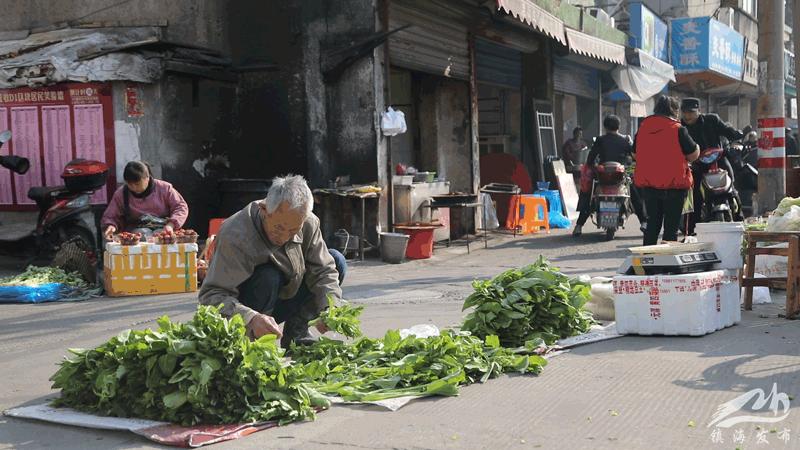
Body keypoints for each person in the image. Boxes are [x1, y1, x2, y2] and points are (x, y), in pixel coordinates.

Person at [198, 174, 346, 348]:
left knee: (336, 261)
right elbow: (211, 295)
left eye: (293, 231)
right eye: (278, 228)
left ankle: (297, 333)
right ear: (264, 210)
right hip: (249, 305)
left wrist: (330, 307)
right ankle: (255, 341)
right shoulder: (236, 234)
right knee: (268, 276)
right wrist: (250, 317)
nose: (283, 237)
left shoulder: (308, 222)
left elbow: (323, 271)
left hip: (286, 295)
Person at [634, 96, 700, 246]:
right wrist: (697, 148)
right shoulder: (678, 129)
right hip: (674, 187)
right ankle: (667, 259)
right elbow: (692, 155)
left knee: (652, 226)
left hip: (649, 186)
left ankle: (648, 257)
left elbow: (634, 153)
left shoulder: (643, 127)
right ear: (674, 111)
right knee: (671, 228)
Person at [573, 115, 646, 237]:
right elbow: (634, 156)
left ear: (605, 127)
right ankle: (643, 222)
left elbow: (590, 159)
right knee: (634, 194)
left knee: (589, 196)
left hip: (602, 177)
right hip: (620, 177)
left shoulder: (600, 140)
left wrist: (593, 166)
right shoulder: (625, 140)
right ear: (618, 127)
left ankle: (578, 226)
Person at [680, 98, 744, 234]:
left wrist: (736, 137)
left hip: (718, 159)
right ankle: (691, 231)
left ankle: (740, 219)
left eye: (691, 112)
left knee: (732, 186)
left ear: (699, 111)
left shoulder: (712, 120)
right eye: (684, 112)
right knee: (694, 196)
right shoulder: (680, 127)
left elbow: (728, 131)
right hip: (697, 165)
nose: (687, 115)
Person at [101, 161, 189, 240]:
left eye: (137, 184)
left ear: (147, 178)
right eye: (130, 184)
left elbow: (180, 207)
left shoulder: (165, 188)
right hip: (135, 235)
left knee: (159, 234)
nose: (133, 187)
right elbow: (111, 215)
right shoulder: (121, 194)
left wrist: (171, 225)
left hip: (164, 230)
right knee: (142, 233)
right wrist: (111, 226)